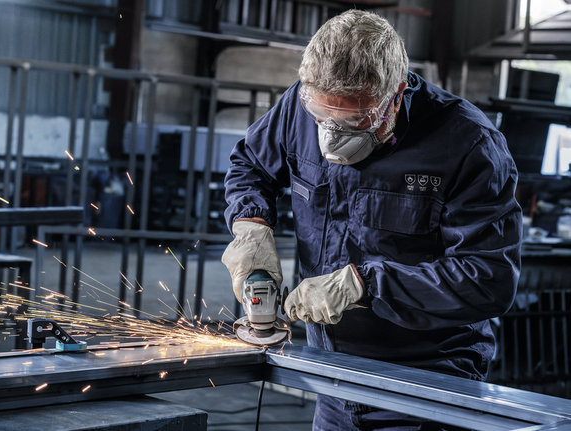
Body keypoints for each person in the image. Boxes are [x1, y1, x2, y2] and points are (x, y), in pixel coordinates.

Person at [221, 9, 522, 431]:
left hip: (426, 385)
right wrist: (251, 226)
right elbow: (251, 162)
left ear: (395, 95)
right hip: (333, 374)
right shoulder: (300, 104)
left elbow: (489, 278)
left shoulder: (468, 145)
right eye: (320, 116)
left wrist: (366, 283)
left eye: (353, 121)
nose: (329, 136)